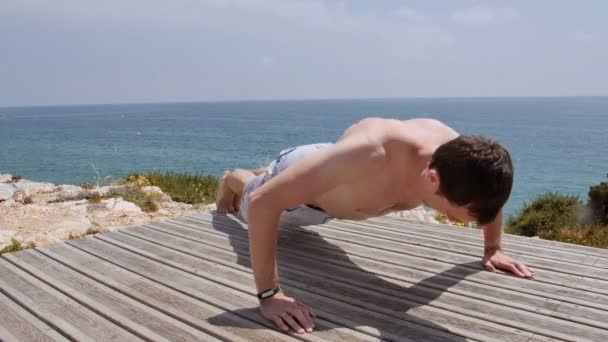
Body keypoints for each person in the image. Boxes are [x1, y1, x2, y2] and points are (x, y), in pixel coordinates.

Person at [215, 117, 534, 334]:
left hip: (332, 173)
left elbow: (490, 192)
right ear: (431, 179)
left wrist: (493, 248)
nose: (457, 221)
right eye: (453, 216)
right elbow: (264, 205)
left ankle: (271, 172)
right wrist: (270, 295)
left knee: (286, 177)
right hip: (307, 196)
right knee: (253, 194)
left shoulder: (464, 162)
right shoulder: (373, 154)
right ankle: (233, 176)